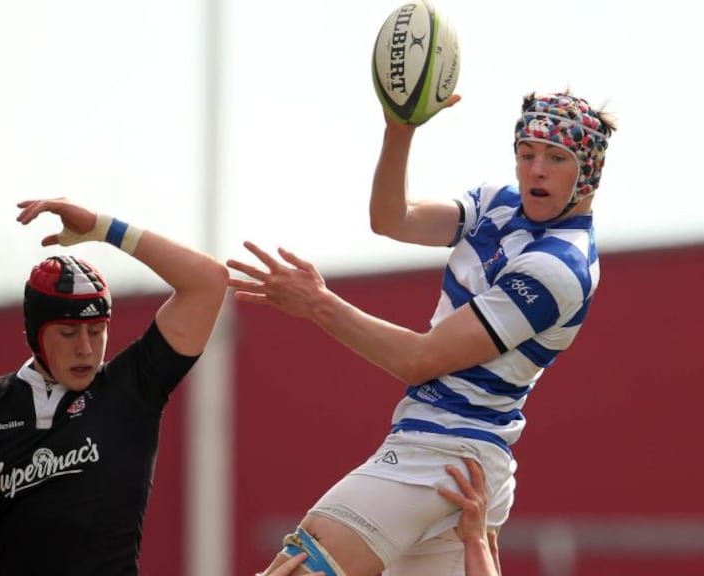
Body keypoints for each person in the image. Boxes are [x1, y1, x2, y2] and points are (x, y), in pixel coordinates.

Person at [227, 90, 616, 576]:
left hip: (445, 452)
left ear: (589, 172)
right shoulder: (499, 203)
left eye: (556, 158)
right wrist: (400, 128)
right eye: (526, 153)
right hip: (457, 464)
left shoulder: (558, 267)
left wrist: (317, 303)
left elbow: (420, 359)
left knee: (298, 568)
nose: (535, 169)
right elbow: (393, 219)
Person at [0, 198, 229, 575]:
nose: (85, 348)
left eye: (97, 331)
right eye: (67, 332)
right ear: (36, 334)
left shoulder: (134, 386)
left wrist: (103, 228)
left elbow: (208, 281)